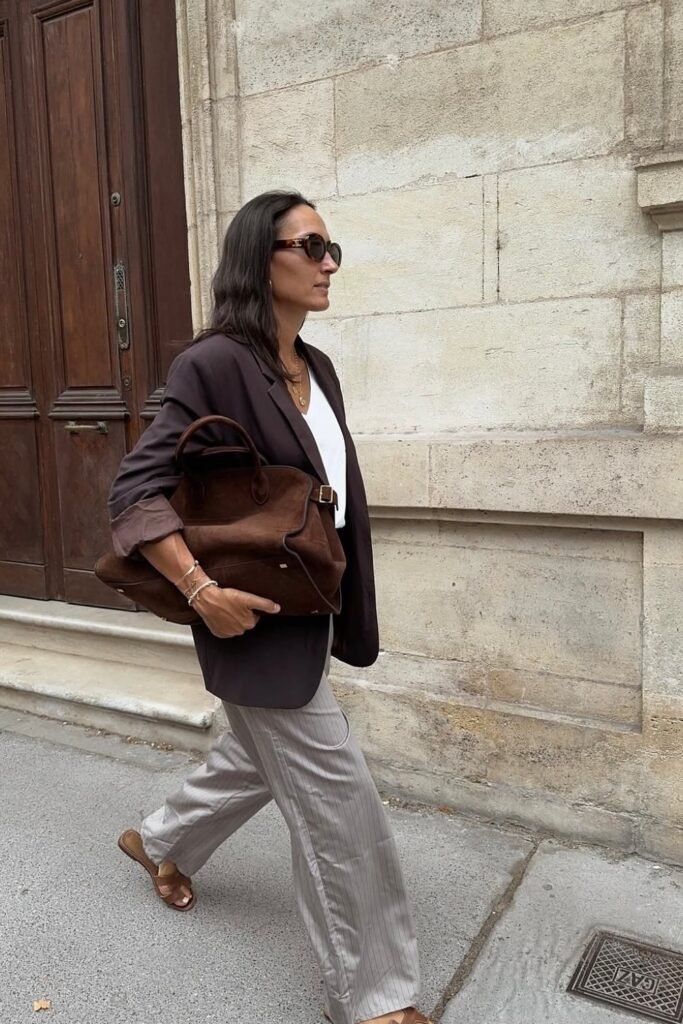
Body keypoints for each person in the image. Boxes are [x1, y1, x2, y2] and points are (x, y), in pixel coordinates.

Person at [108, 190, 432, 1024]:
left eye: (333, 247)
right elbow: (136, 491)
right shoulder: (211, 362)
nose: (328, 262)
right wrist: (199, 591)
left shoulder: (315, 366)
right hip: (247, 615)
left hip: (307, 602)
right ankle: (375, 998)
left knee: (258, 756)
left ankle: (161, 840)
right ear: (262, 259)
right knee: (340, 805)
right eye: (311, 245)